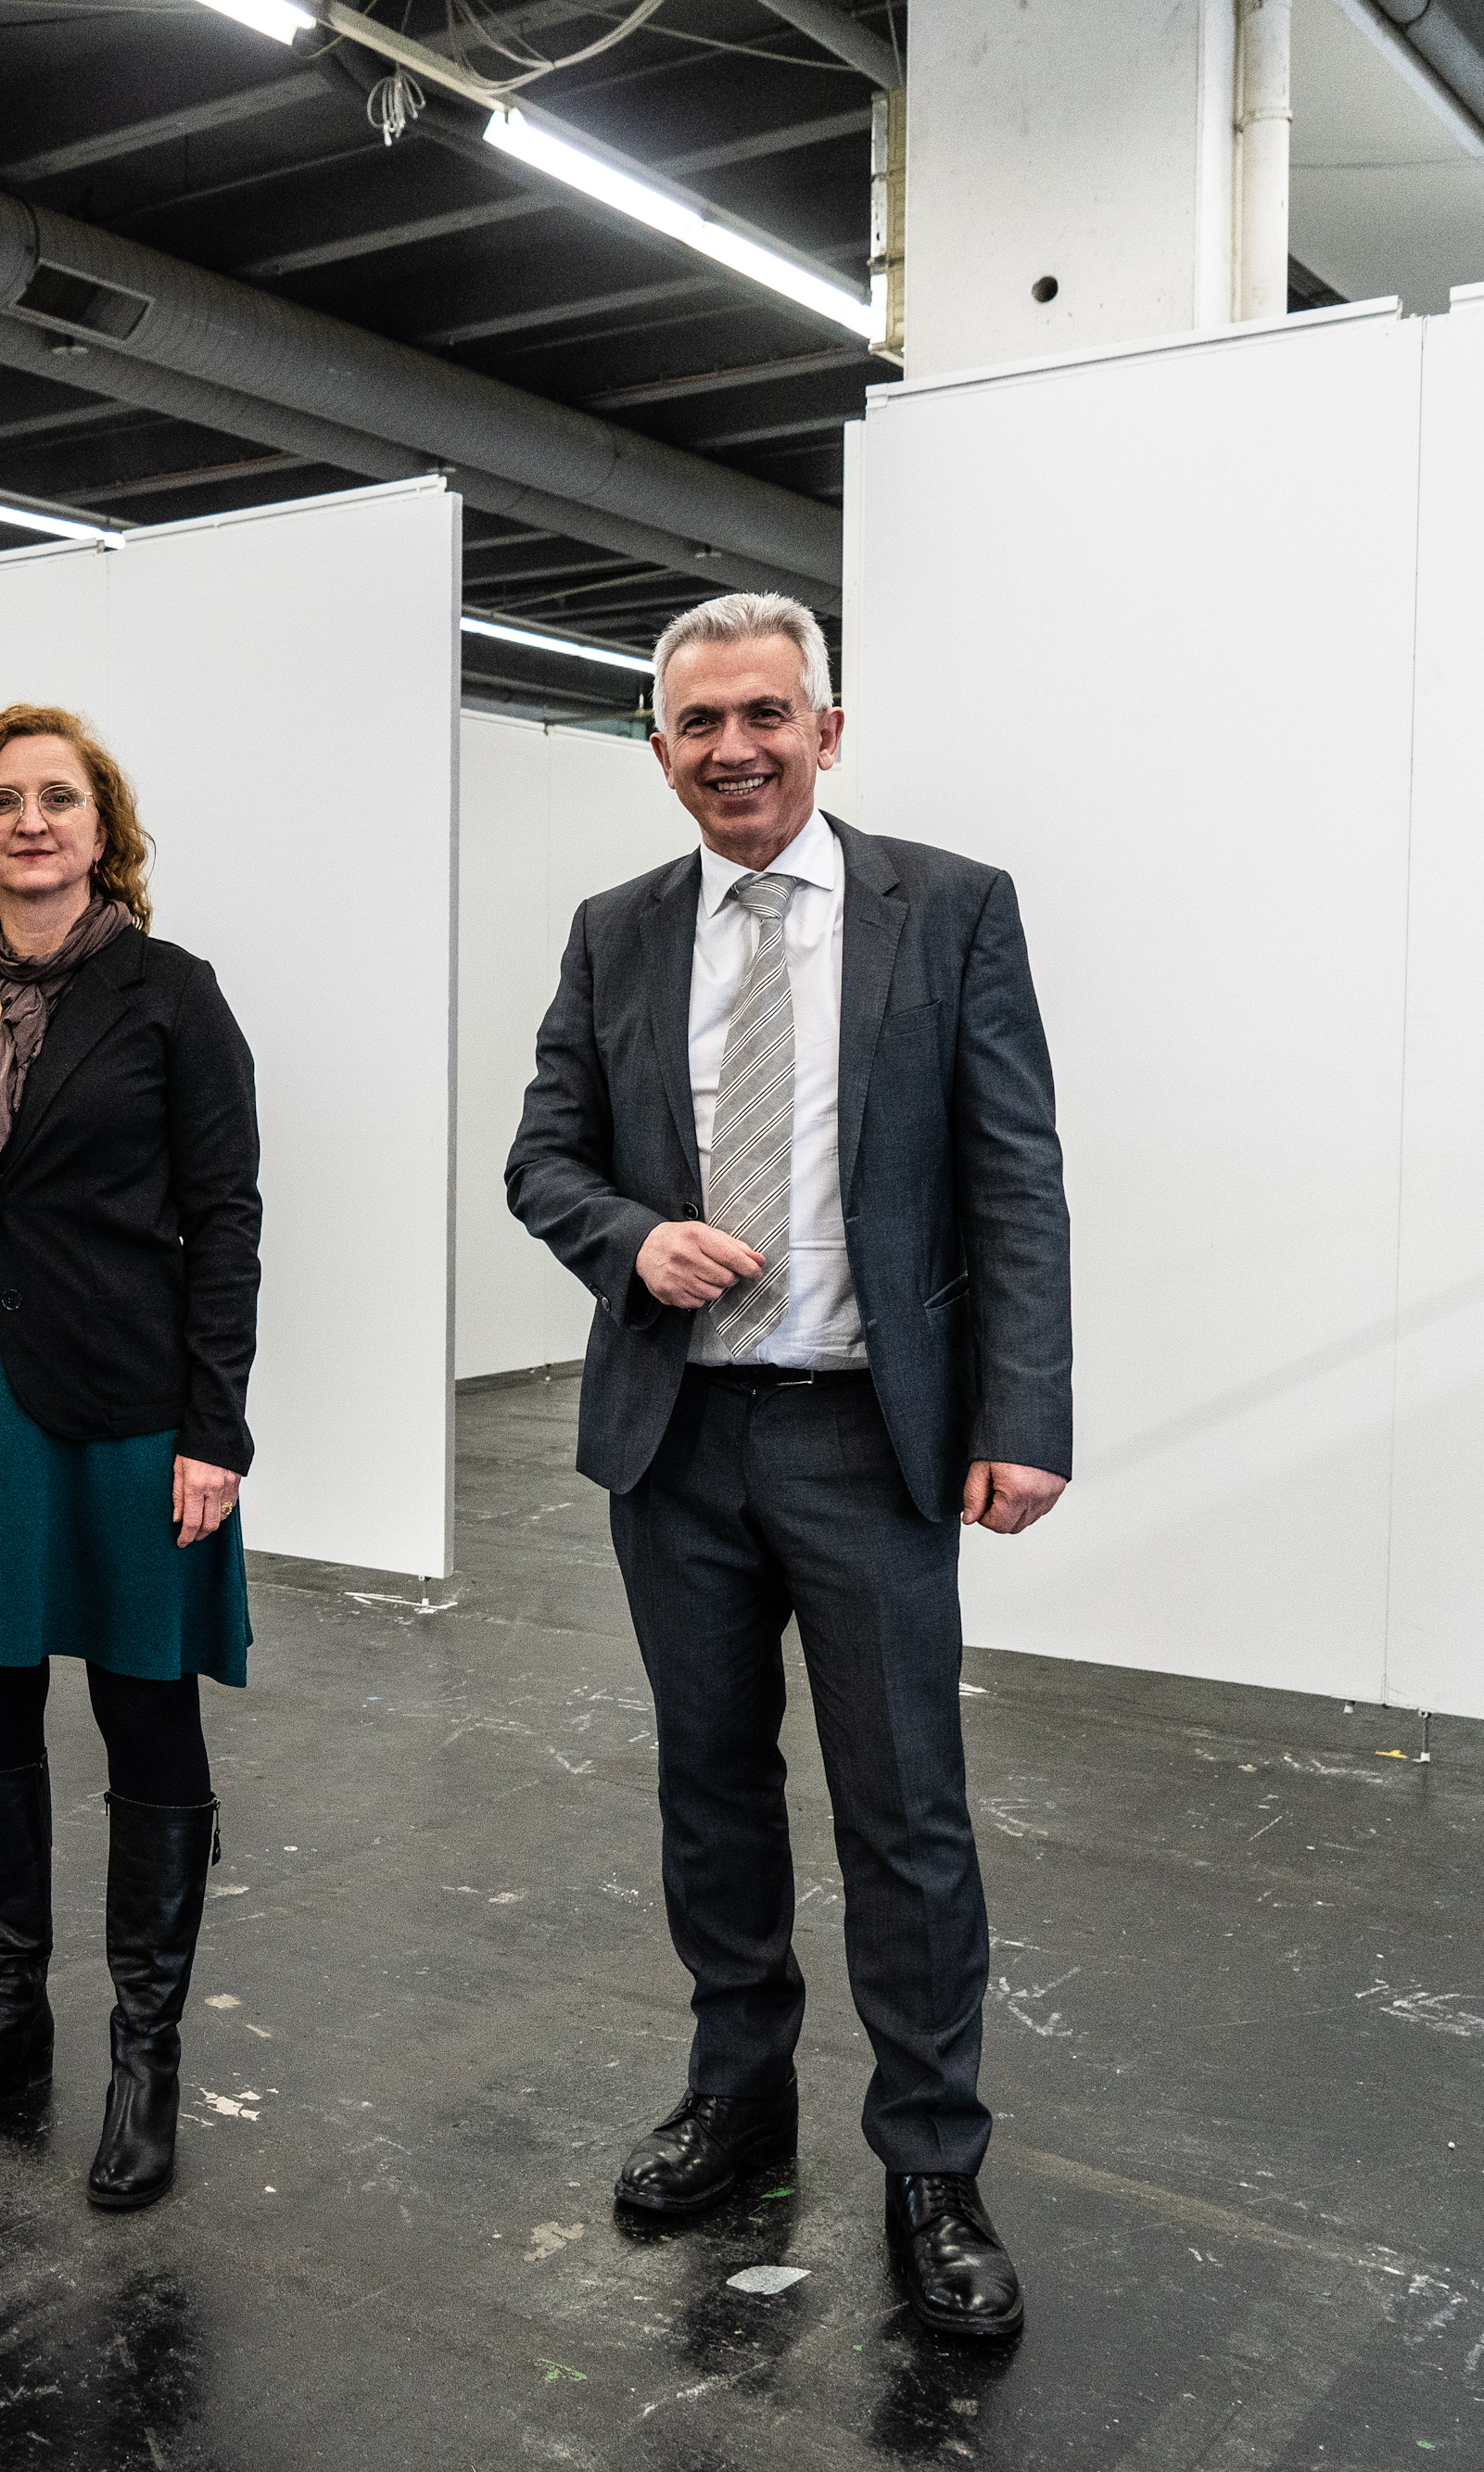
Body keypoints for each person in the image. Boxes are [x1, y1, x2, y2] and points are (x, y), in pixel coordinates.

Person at [504, 593, 1071, 2338]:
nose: (734, 748)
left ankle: (930, 2164)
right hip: (679, 1438)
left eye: (767, 714)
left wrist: (1022, 1414)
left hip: (863, 1435)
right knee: (713, 1787)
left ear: (829, 727)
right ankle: (738, 2096)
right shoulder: (615, 932)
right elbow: (543, 1155)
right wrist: (629, 1240)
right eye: (699, 725)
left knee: (904, 1812)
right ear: (660, 750)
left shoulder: (948, 908)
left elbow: (1015, 1175)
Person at [0, 704, 262, 2212]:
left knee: (147, 1715)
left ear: (102, 827)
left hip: (127, 1402)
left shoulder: (170, 998)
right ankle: (11, 2014)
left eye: (59, 799)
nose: (32, 821)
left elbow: (228, 1223)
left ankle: (147, 2051)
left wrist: (217, 1428)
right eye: (4, 801)